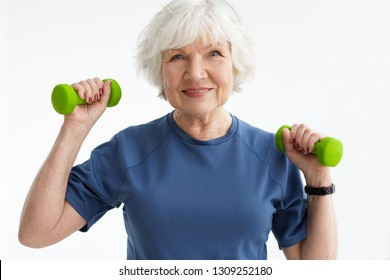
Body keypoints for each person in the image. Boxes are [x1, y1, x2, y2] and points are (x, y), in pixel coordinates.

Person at [19, 0, 337, 260]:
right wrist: (75, 128)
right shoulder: (128, 150)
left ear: (236, 64)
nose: (195, 73)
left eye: (214, 53)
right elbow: (36, 234)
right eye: (177, 57)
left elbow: (314, 269)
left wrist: (319, 180)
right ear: (160, 71)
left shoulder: (274, 155)